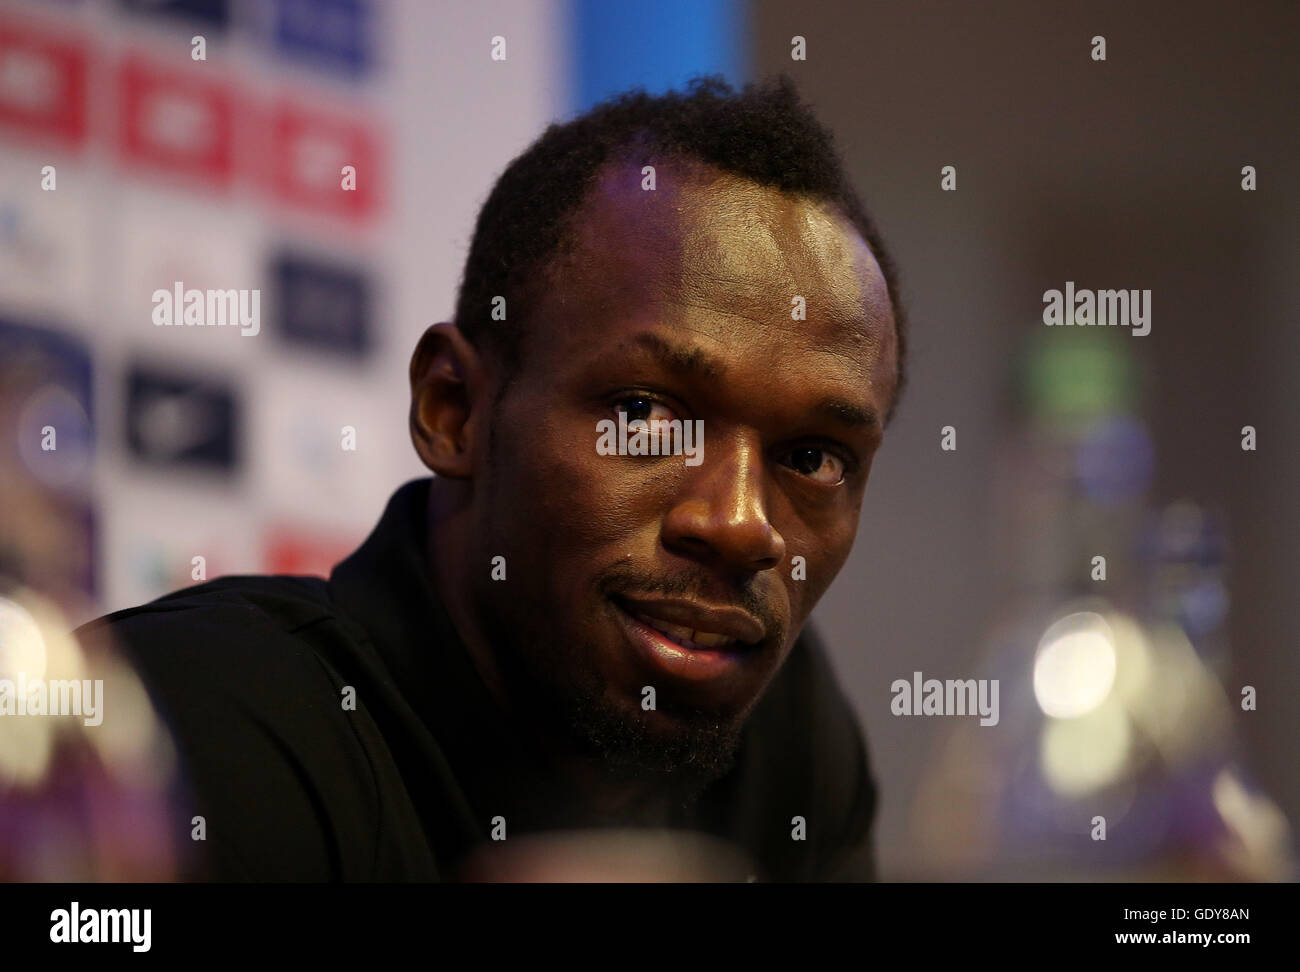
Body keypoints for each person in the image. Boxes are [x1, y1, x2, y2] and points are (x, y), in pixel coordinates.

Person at [76, 75, 908, 881]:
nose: (738, 524)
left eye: (812, 458)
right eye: (647, 413)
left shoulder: (789, 733)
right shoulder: (194, 722)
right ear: (455, 411)